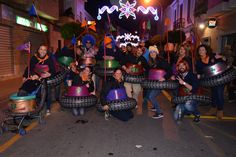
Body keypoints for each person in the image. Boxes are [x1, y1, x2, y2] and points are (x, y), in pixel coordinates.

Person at [195, 44, 226, 119]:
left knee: (219, 92)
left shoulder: (213, 56)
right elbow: (199, 71)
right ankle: (213, 109)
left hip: (219, 78)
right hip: (210, 80)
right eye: (200, 50)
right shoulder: (199, 62)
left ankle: (220, 110)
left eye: (203, 49)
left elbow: (224, 62)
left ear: (206, 50)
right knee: (214, 93)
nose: (201, 51)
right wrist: (198, 76)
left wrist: (222, 57)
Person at [23, 44, 56, 115]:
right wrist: (27, 76)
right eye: (41, 49)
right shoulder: (34, 58)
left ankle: (48, 108)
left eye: (45, 50)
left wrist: (49, 74)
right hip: (36, 78)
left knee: (47, 92)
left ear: (46, 51)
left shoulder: (49, 58)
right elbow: (29, 68)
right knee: (35, 92)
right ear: (38, 50)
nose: (43, 51)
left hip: (46, 78)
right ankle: (35, 106)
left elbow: (53, 70)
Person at [145, 46, 172, 119]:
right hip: (152, 83)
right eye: (151, 52)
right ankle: (154, 106)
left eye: (154, 52)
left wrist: (164, 77)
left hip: (160, 83)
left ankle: (159, 112)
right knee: (147, 96)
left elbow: (170, 70)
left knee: (151, 96)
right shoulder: (149, 62)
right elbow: (147, 72)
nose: (152, 53)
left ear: (157, 53)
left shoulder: (161, 61)